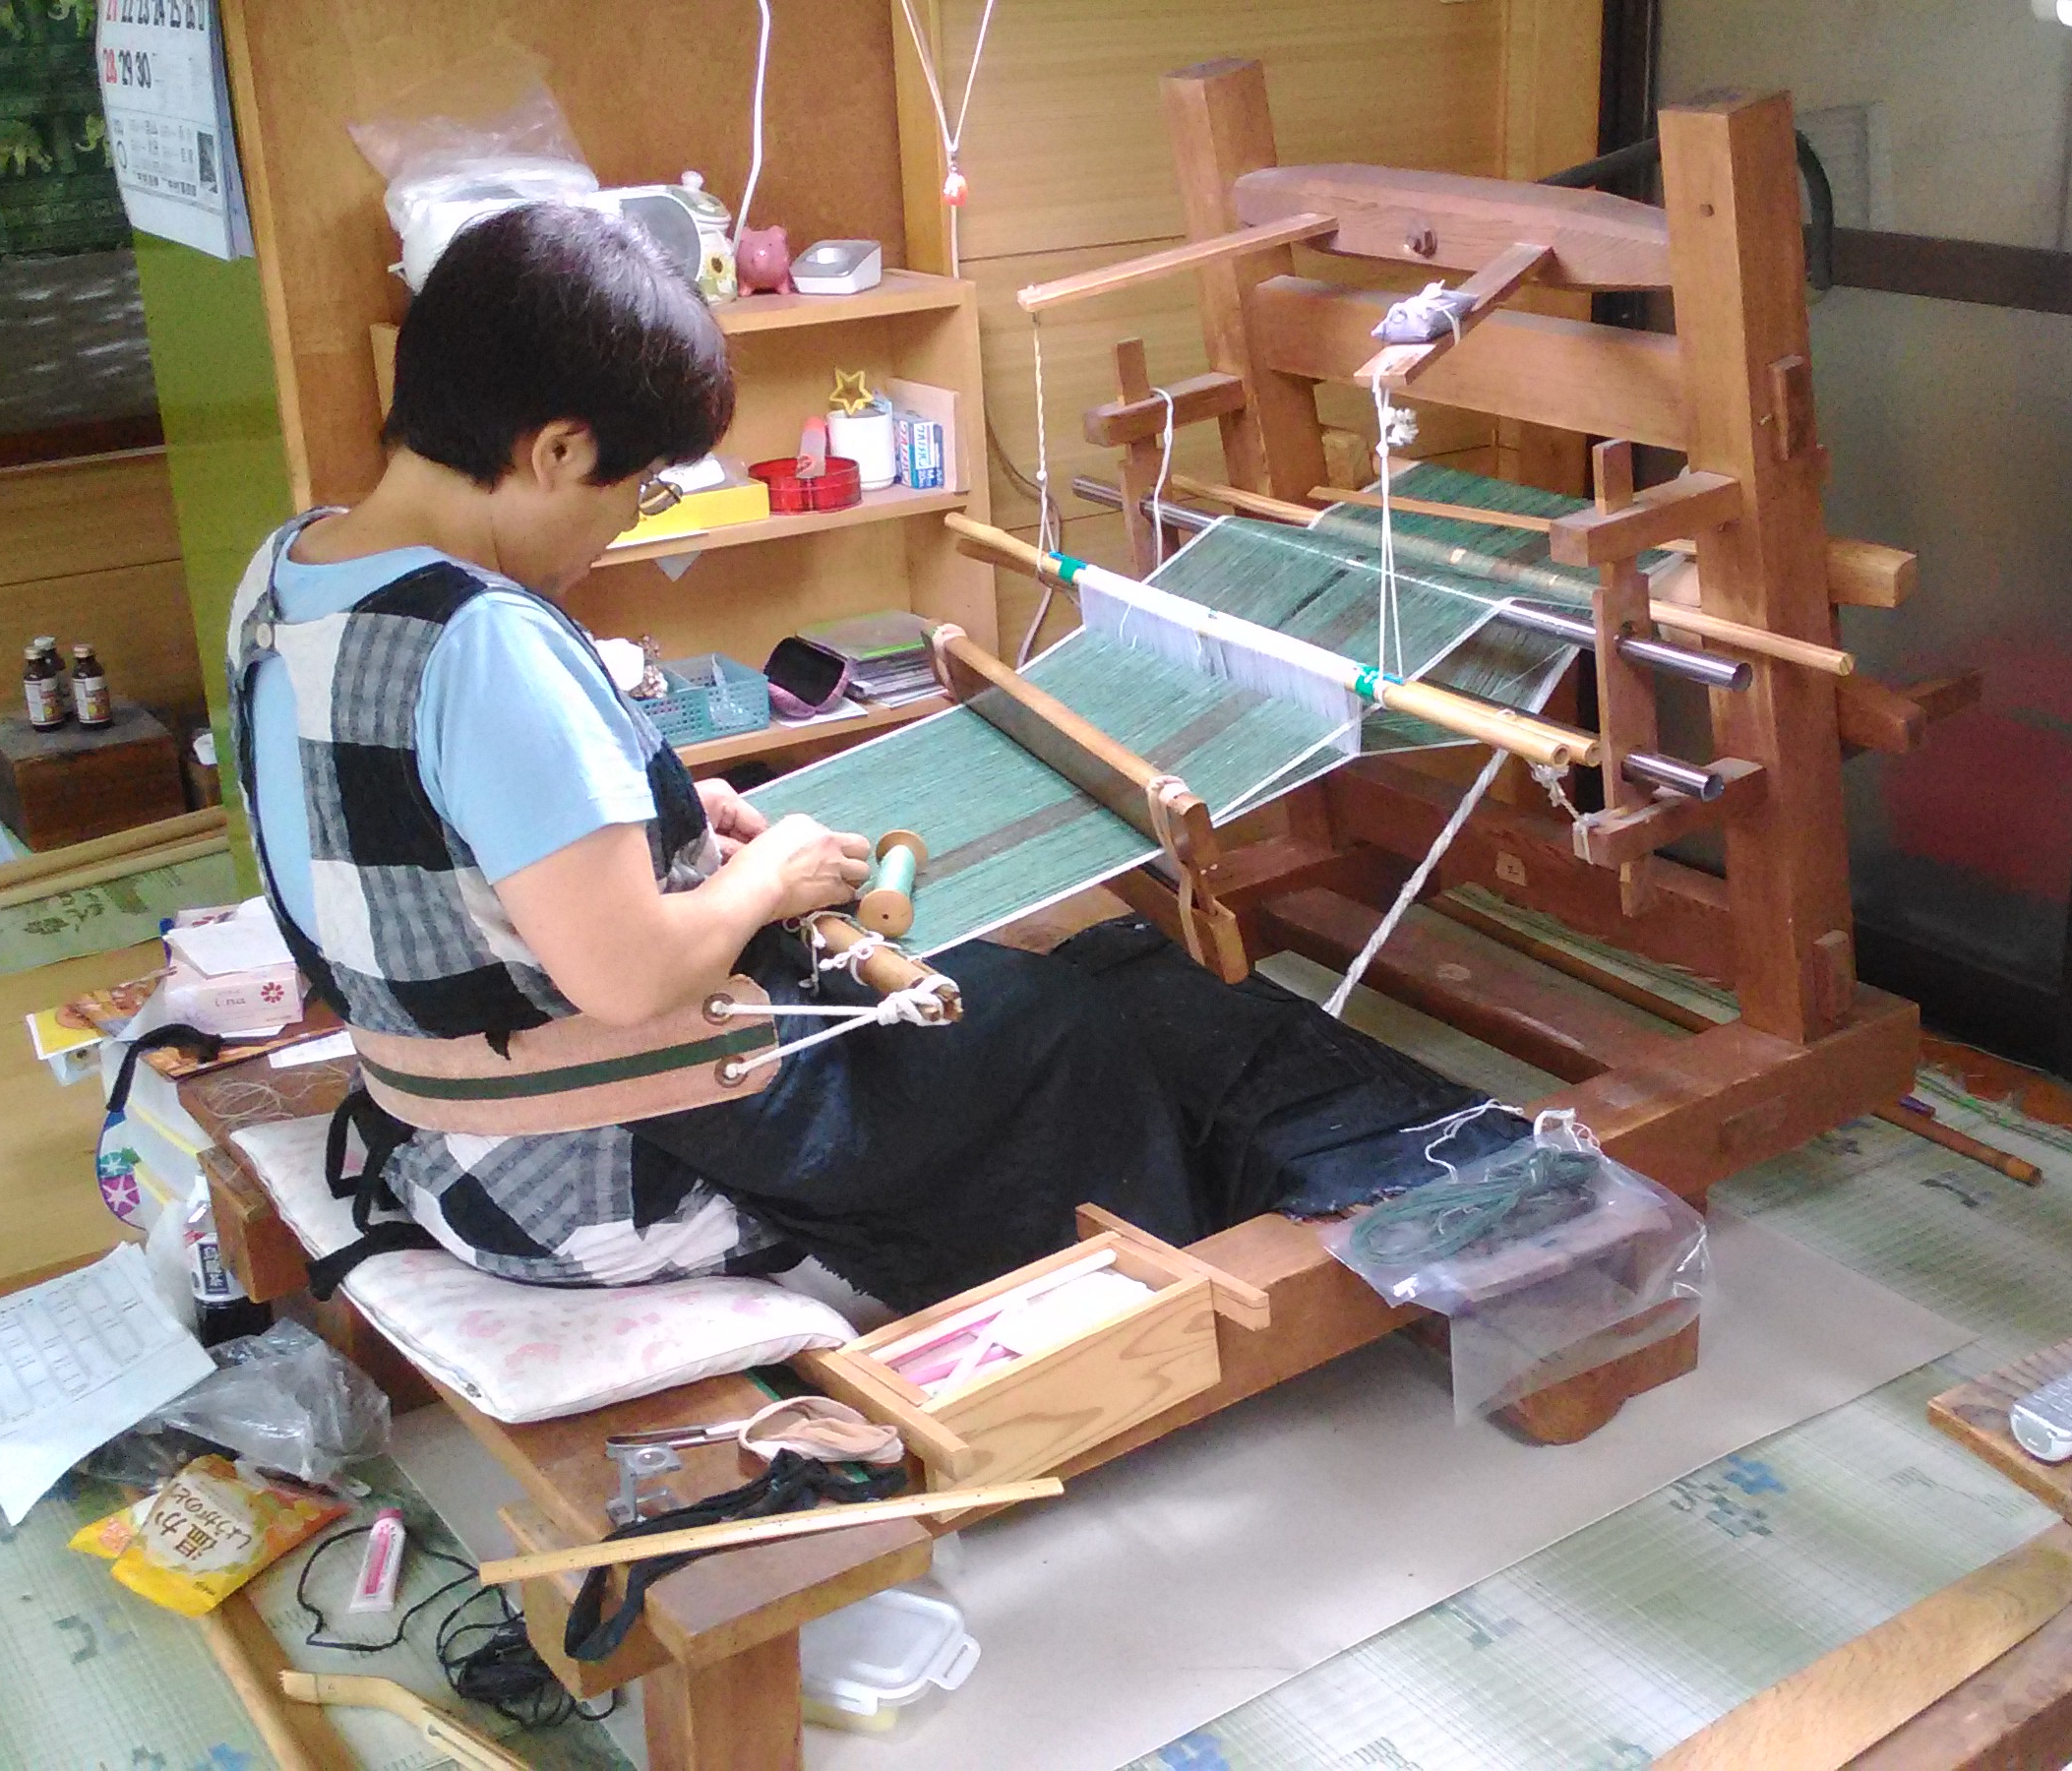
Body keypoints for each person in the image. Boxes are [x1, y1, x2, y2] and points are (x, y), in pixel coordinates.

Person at [227, 202, 1502, 1314]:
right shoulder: (487, 638)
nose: (622, 529)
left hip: (441, 1137)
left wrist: (662, 827)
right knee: (1048, 1020)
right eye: (637, 489)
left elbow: (414, 835)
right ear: (557, 448)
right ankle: (1150, 1308)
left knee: (1054, 982)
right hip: (597, 1175)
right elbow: (626, 978)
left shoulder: (295, 569)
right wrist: (766, 875)